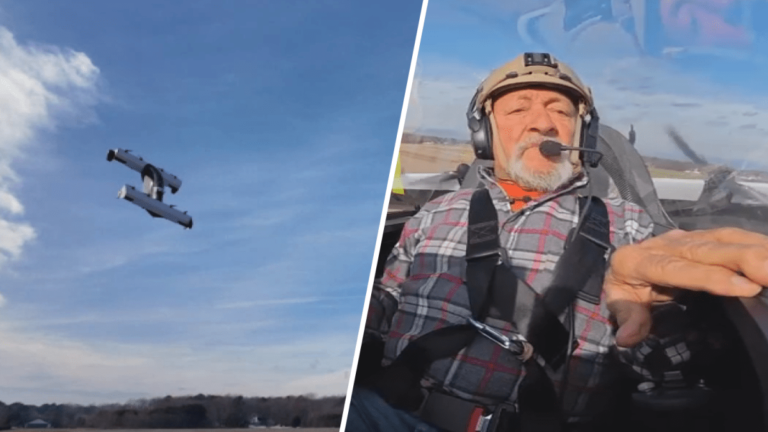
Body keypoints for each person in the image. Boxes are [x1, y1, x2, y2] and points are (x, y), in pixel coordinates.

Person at [345, 51, 768, 432]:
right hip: (387, 413)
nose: (543, 123)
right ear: (484, 133)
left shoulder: (628, 226)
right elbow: (383, 304)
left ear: (582, 133)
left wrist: (657, 319)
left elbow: (666, 374)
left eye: (560, 111)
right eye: (517, 109)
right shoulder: (436, 212)